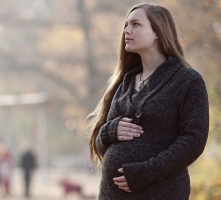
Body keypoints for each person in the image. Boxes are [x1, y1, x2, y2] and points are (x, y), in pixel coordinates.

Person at [87, 3, 209, 200]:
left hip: (161, 192)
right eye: (126, 25)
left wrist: (146, 173)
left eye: (136, 24)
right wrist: (108, 131)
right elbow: (101, 146)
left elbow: (193, 141)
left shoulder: (188, 81)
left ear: (158, 32)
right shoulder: (123, 83)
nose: (126, 30)